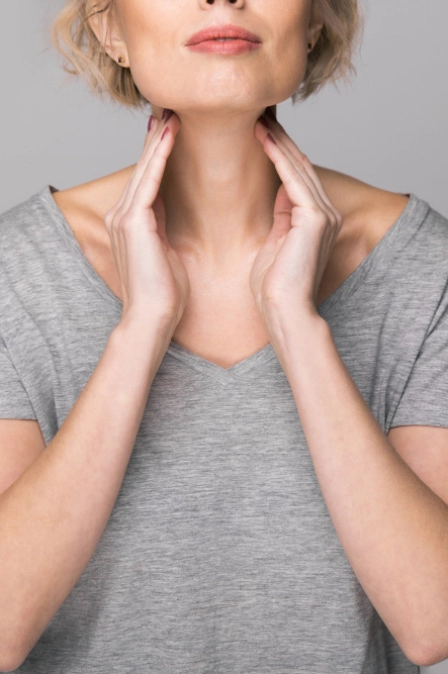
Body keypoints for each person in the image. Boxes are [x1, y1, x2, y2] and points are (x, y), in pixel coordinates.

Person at [0, 0, 447, 671]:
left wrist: (296, 322)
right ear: (109, 28)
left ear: (316, 21)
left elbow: (433, 621)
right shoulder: (16, 271)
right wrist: (142, 326)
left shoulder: (425, 268)